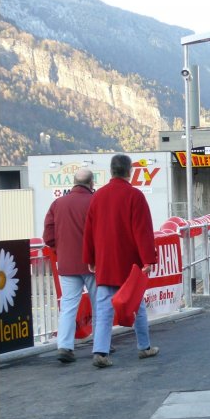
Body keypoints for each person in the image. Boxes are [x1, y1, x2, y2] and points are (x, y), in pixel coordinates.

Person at [82, 154, 159, 368]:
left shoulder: (97, 197)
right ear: (129, 171)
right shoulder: (135, 196)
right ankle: (144, 347)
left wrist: (89, 257)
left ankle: (100, 351)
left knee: (104, 307)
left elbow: (89, 230)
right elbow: (142, 231)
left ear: (111, 171)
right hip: (129, 262)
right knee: (137, 303)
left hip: (105, 261)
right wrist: (147, 259)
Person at [43, 168, 97, 363]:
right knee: (99, 303)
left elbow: (48, 235)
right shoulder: (95, 202)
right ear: (91, 184)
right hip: (93, 264)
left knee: (67, 305)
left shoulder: (58, 203)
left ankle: (64, 346)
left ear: (74, 182)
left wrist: (60, 249)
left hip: (66, 263)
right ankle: (100, 345)